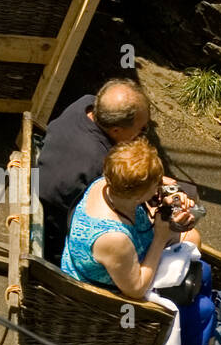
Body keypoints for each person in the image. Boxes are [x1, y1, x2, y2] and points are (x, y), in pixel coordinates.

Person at [60, 138, 213, 345]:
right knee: (203, 310)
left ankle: (198, 338)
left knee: (203, 271)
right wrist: (161, 237)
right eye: (153, 187)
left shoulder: (107, 183)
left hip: (127, 261)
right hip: (108, 299)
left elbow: (145, 191)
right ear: (137, 196)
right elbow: (136, 289)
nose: (158, 188)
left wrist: (167, 196)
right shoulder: (113, 238)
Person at [38, 78, 198, 264]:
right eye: (141, 129)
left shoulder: (85, 104)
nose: (143, 134)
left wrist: (157, 179)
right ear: (115, 130)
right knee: (190, 233)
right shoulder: (99, 165)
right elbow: (130, 211)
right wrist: (163, 210)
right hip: (67, 242)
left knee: (183, 192)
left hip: (55, 199)